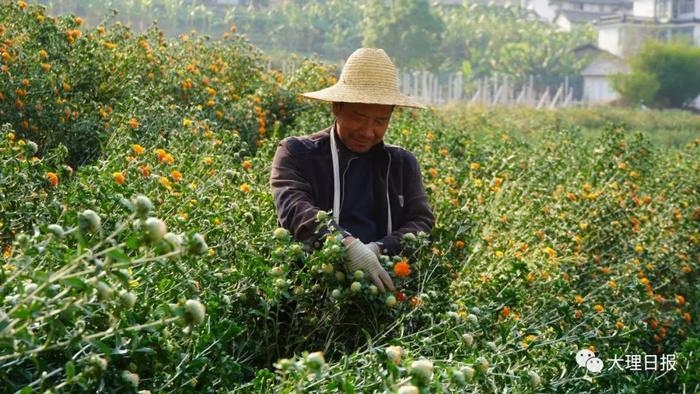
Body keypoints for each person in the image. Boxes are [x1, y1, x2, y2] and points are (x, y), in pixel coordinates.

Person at [269, 48, 435, 293]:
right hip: (310, 290)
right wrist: (345, 245)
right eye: (359, 117)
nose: (368, 132)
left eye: (380, 122)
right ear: (337, 106)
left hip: (382, 291)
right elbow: (295, 209)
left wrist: (380, 248)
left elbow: (421, 222)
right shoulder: (297, 154)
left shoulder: (401, 164)